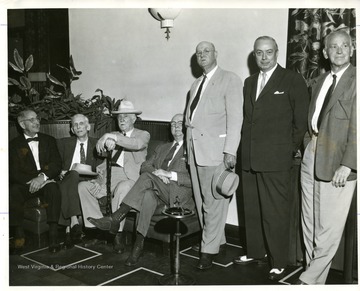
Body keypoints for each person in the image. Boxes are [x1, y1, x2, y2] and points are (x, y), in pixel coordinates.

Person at [234, 36, 309, 281]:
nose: (264, 57)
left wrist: (287, 150)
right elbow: (247, 120)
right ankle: (256, 252)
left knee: (275, 212)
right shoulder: (248, 82)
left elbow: (301, 122)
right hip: (249, 158)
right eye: (259, 53)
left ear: (277, 52)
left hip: (276, 159)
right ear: (253, 55)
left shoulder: (292, 79)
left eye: (268, 52)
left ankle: (279, 261)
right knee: (252, 209)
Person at [88, 113, 195, 266]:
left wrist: (169, 174)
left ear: (186, 126)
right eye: (172, 123)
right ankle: (138, 246)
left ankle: (116, 218)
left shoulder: (193, 148)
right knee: (147, 196)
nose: (176, 126)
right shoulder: (162, 147)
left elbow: (195, 180)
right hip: (157, 188)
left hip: (177, 193)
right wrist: (157, 175)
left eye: (179, 123)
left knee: (146, 178)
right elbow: (145, 166)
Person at [295, 30, 356, 285]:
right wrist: (309, 143)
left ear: (352, 49)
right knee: (309, 221)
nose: (339, 50)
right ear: (324, 52)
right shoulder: (319, 81)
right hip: (313, 153)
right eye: (333, 47)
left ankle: (307, 280)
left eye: (344, 46)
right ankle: (315, 279)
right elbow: (312, 118)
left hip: (339, 160)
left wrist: (349, 163)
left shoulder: (356, 80)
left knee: (329, 226)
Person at [184, 41, 243, 270]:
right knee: (201, 203)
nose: (202, 55)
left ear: (216, 54)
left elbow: (235, 118)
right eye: (198, 53)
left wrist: (230, 150)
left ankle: (207, 251)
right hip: (195, 152)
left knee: (214, 203)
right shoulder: (195, 84)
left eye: (206, 51)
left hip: (217, 153)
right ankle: (217, 241)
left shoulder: (230, 79)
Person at [78, 100, 150, 254]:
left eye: (125, 116)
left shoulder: (142, 135)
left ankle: (117, 234)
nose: (122, 119)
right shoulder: (113, 135)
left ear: (134, 119)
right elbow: (102, 156)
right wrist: (99, 178)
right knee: (83, 187)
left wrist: (112, 137)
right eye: (119, 117)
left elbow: (136, 144)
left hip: (130, 178)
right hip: (109, 175)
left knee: (123, 188)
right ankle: (97, 229)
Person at [9, 109, 62, 253]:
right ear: (22, 124)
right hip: (26, 184)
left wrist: (42, 178)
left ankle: (53, 235)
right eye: (31, 120)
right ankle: (19, 235)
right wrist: (33, 181)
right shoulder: (13, 145)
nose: (37, 122)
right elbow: (13, 172)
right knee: (13, 190)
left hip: (45, 181)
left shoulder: (49, 140)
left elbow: (57, 164)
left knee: (53, 189)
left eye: (37, 118)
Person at [57, 114, 102, 249]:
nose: (78, 127)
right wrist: (59, 171)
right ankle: (74, 220)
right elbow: (55, 163)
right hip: (68, 179)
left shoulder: (98, 143)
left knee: (74, 180)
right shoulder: (63, 143)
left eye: (81, 123)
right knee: (73, 175)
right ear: (72, 129)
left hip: (88, 180)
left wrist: (99, 180)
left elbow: (102, 167)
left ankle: (70, 229)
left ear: (88, 127)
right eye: (75, 125)